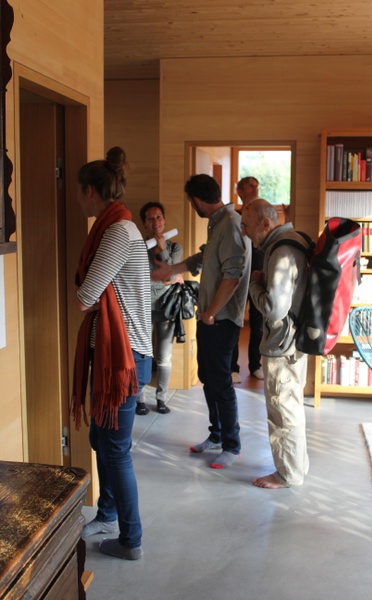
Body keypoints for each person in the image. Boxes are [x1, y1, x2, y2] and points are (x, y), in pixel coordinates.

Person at [71, 146, 153, 560]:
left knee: (115, 449)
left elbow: (85, 297)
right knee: (101, 439)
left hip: (124, 359)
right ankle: (106, 514)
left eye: (78, 192)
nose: (77, 200)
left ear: (90, 191)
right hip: (114, 356)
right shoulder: (114, 227)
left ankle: (131, 540)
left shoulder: (118, 231)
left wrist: (86, 290)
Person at [152, 174, 251, 468]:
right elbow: (203, 258)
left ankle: (231, 446)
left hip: (221, 318)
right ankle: (217, 435)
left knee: (221, 382)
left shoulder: (231, 223)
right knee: (208, 377)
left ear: (196, 200)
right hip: (209, 316)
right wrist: (170, 269)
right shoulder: (218, 222)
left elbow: (233, 277)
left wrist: (210, 313)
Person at [241, 198, 309, 489]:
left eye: (246, 225)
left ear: (265, 223)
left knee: (282, 412)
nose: (244, 232)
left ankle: (287, 474)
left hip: (283, 346)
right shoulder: (296, 239)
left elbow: (274, 309)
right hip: (295, 343)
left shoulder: (281, 252)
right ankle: (296, 467)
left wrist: (254, 283)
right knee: (291, 407)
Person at [135, 201, 183, 415]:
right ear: (144, 223)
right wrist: (167, 279)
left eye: (158, 217)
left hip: (166, 306)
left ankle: (161, 398)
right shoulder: (138, 246)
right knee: (142, 353)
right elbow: (138, 278)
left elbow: (170, 273)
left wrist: (163, 249)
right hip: (142, 306)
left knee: (163, 356)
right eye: (150, 218)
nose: (155, 222)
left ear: (164, 219)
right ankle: (140, 399)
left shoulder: (174, 247)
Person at [231, 176, 264, 383]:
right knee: (235, 321)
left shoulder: (263, 215)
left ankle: (255, 365)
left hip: (259, 275)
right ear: (241, 192)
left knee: (258, 325)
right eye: (250, 185)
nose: (255, 189)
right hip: (238, 276)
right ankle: (232, 367)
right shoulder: (235, 217)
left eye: (256, 186)